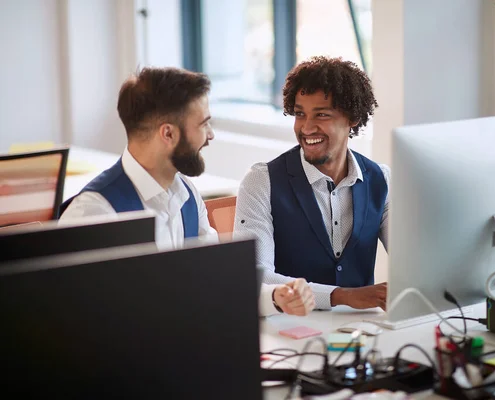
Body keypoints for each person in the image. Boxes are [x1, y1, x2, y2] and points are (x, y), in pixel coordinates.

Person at [60, 67, 314, 317]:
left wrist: (275, 297)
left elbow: (214, 281)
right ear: (168, 133)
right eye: (204, 124)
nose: (211, 135)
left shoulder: (188, 195)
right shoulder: (94, 213)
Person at [234, 56, 390, 311]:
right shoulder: (262, 182)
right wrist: (342, 295)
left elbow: (411, 259)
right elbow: (256, 276)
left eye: (322, 115)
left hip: (363, 329)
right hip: (290, 330)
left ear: (351, 118)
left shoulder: (380, 179)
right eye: (299, 114)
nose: (307, 128)